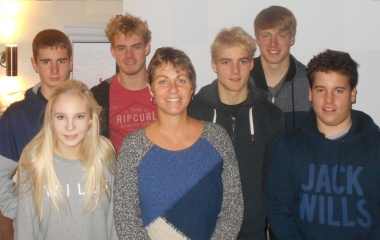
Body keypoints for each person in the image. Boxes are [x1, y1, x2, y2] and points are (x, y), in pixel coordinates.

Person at [114, 47, 243, 239]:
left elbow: (232, 209)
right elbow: (126, 220)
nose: (173, 89)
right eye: (163, 81)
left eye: (181, 80)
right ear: (151, 89)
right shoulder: (133, 147)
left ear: (192, 88)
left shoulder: (217, 139)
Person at [267, 49, 380, 239]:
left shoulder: (375, 146)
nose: (329, 100)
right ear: (310, 93)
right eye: (321, 90)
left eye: (338, 90)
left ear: (353, 94)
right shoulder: (289, 146)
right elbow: (278, 211)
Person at [188, 27, 284, 240]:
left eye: (242, 61)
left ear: (252, 63)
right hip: (204, 228)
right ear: (214, 64)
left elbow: (273, 179)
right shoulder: (194, 112)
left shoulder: (271, 116)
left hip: (252, 229)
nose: (235, 71)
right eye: (226, 62)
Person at [14, 79, 117, 240]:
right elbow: (25, 228)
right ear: (51, 119)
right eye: (61, 117)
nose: (70, 127)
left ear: (90, 118)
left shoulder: (105, 157)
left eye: (79, 117)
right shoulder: (34, 160)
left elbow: (113, 224)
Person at [0, 29, 73, 239]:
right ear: (34, 64)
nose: (54, 69)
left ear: (70, 62)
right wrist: (18, 211)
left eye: (61, 61)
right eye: (46, 62)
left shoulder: (85, 111)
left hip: (79, 223)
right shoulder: (16, 116)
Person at [91, 13, 158, 153]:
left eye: (136, 47)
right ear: (113, 51)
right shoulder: (97, 97)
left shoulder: (165, 90)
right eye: (122, 48)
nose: (129, 56)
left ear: (147, 48)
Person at [250, 5, 310, 133]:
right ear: (257, 39)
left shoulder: (310, 81)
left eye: (281, 36)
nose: (273, 43)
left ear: (292, 39)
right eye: (266, 35)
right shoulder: (241, 79)